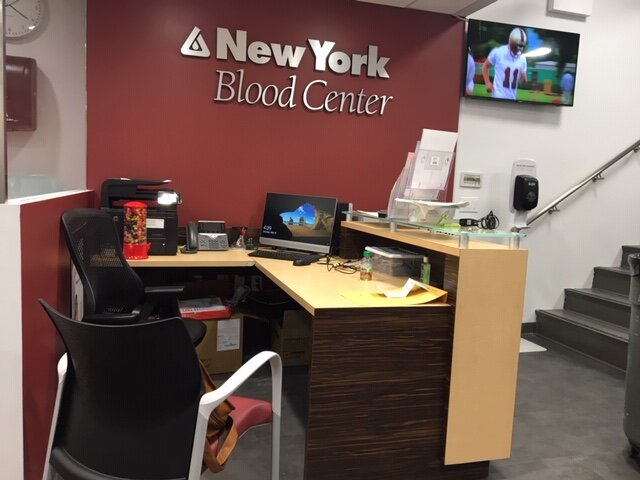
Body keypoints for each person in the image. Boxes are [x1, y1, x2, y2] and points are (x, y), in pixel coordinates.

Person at [483, 27, 528, 100]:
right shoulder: (498, 52)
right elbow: (486, 65)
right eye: (515, 47)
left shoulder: (522, 58)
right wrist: (487, 82)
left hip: (512, 99)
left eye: (520, 46)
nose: (518, 50)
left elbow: (521, 83)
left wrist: (523, 80)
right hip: (497, 96)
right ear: (510, 43)